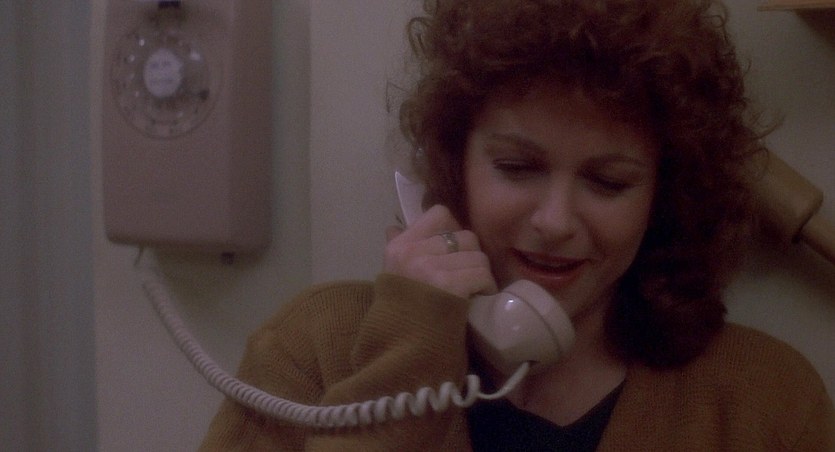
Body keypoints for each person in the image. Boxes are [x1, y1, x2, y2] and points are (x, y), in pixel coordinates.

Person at [200, 0, 835, 450]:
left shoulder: (764, 401)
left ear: (662, 196)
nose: (555, 222)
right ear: (455, 166)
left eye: (608, 182)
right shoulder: (312, 350)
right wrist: (404, 367)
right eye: (517, 168)